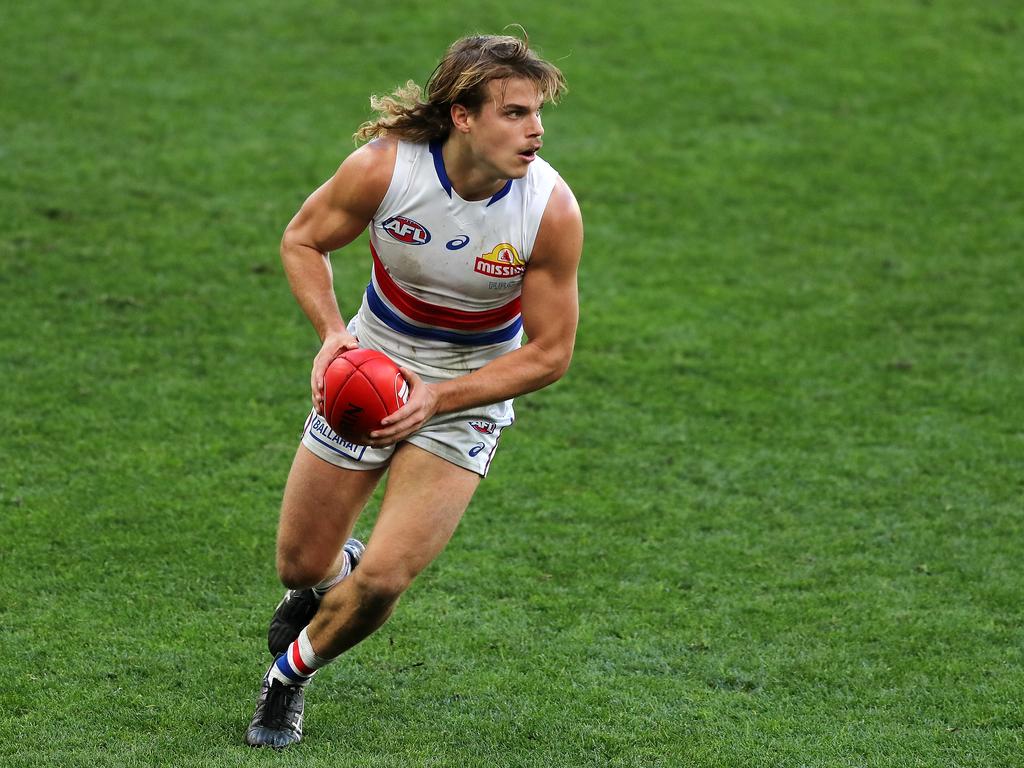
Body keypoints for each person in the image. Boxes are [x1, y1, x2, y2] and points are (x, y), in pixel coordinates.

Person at [244, 31, 583, 749]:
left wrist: (438, 399)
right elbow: (303, 240)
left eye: (538, 112)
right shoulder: (383, 170)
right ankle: (325, 582)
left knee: (386, 581)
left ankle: (287, 681)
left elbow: (551, 354)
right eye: (516, 113)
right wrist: (335, 336)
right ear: (463, 116)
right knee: (302, 564)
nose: (537, 129)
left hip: (470, 390)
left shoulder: (549, 209)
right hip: (371, 366)